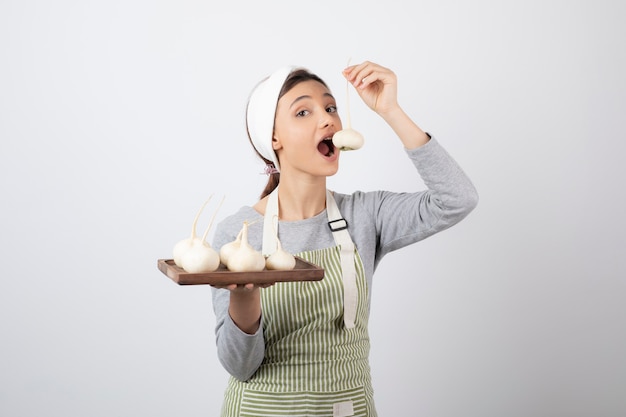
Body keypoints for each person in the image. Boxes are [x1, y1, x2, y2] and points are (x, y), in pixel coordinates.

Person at [210, 61, 478, 417]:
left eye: (331, 107)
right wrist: (244, 302)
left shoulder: (365, 215)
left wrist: (390, 110)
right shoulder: (239, 234)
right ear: (274, 138)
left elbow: (458, 199)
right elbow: (240, 366)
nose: (327, 119)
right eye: (303, 111)